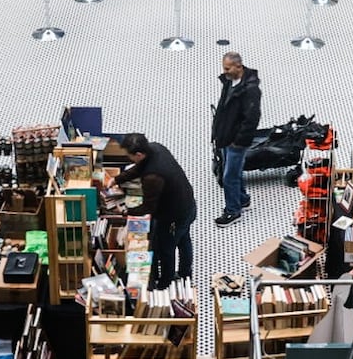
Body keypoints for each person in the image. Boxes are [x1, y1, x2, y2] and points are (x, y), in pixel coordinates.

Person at [102, 133, 196, 290]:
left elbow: (148, 208)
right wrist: (117, 179)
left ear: (138, 154)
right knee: (184, 238)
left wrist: (125, 211)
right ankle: (186, 272)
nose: (130, 159)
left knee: (167, 248)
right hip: (187, 204)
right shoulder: (156, 148)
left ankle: (165, 282)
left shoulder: (153, 177)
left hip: (173, 216)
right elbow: (140, 168)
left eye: (130, 156)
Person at [211, 51, 261, 227]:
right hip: (225, 136)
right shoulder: (230, 81)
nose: (224, 71)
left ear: (238, 67)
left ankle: (233, 211)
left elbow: (252, 119)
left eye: (227, 68)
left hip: (236, 142)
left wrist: (238, 141)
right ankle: (242, 198)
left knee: (229, 176)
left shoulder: (250, 90)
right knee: (233, 171)